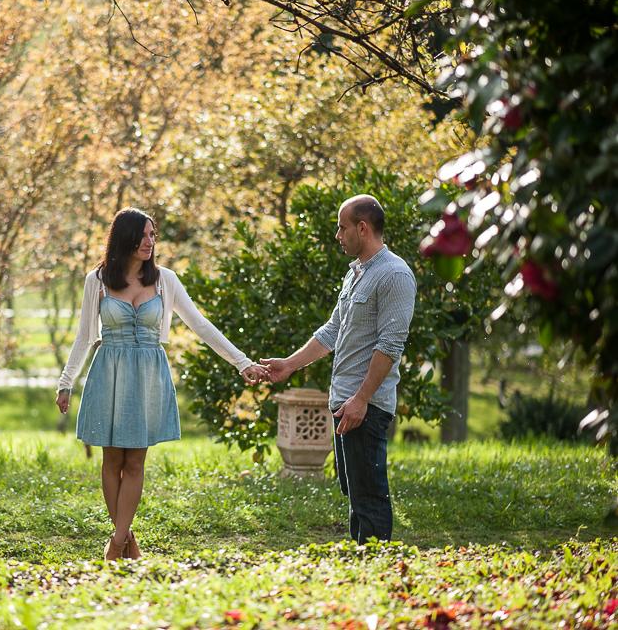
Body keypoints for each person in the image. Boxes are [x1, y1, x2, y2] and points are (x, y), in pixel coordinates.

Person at [56, 208, 269, 561]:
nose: (149, 242)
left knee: (136, 461)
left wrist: (241, 362)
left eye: (153, 235)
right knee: (111, 459)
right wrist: (66, 383)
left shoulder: (165, 280)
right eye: (143, 235)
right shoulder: (96, 281)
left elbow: (200, 325)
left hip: (149, 376)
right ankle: (126, 539)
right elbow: (83, 337)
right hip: (109, 370)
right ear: (124, 238)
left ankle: (116, 544)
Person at [260, 195, 416, 543]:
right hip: (344, 401)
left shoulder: (394, 275)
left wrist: (362, 399)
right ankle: (360, 569)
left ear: (363, 228)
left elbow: (389, 346)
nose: (337, 235)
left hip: (366, 405)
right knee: (355, 494)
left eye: (342, 227)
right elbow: (332, 331)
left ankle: (375, 572)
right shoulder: (356, 273)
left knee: (370, 497)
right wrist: (289, 365)